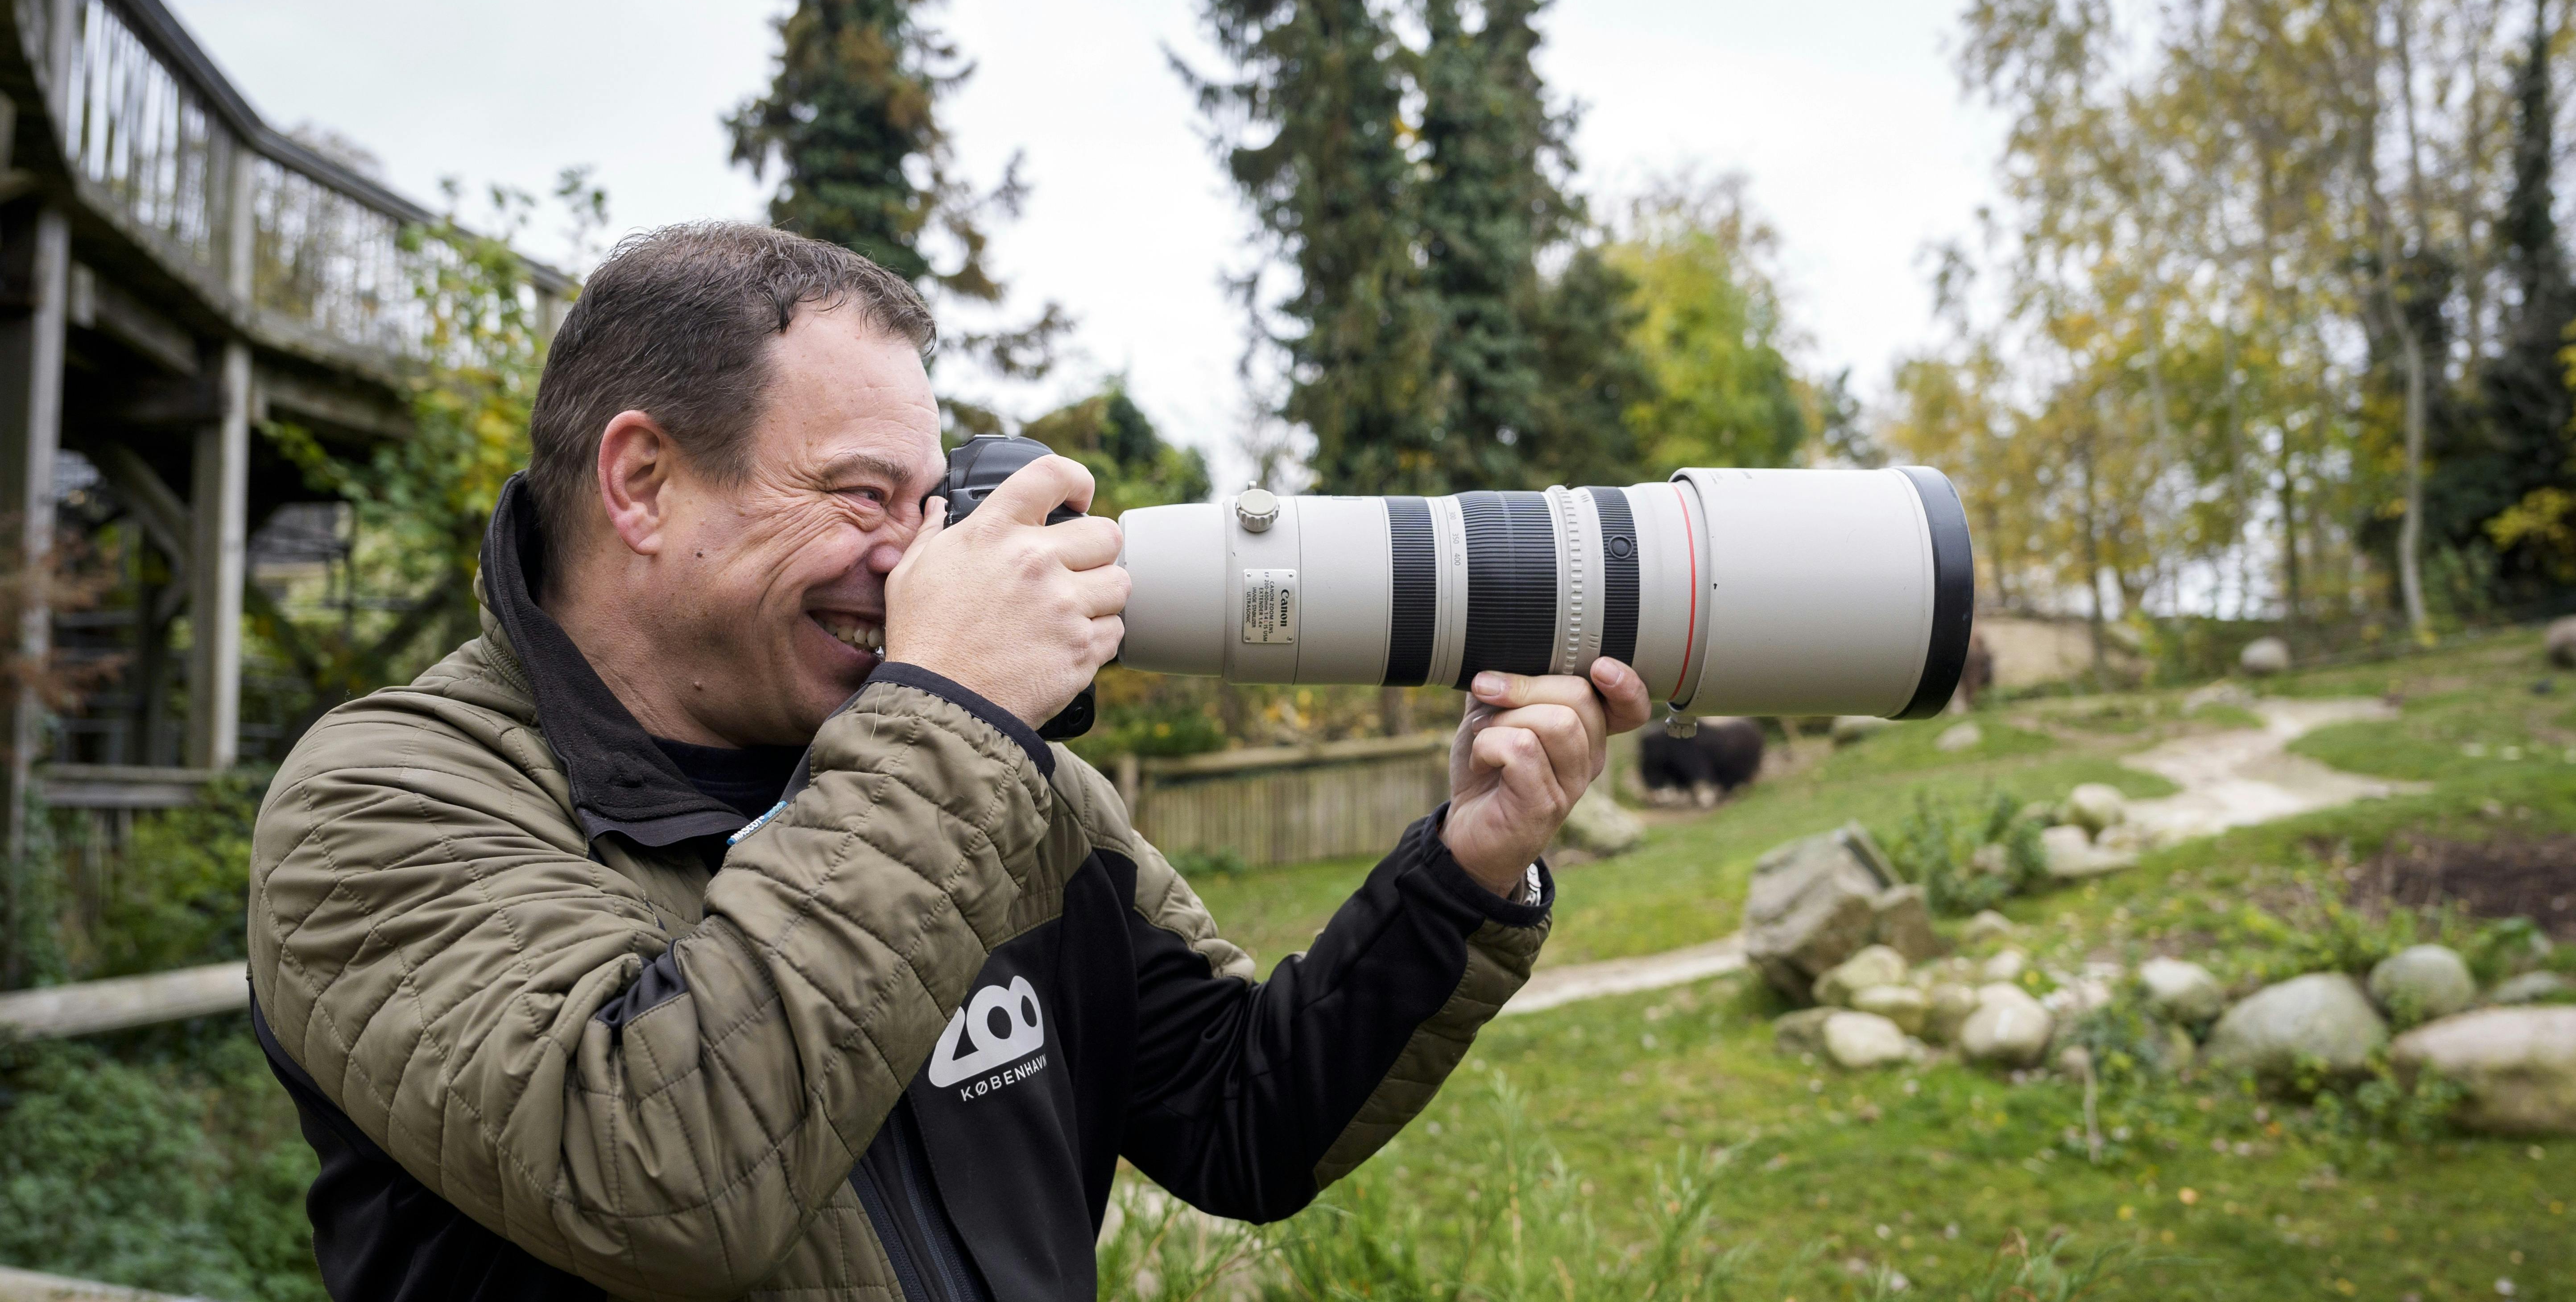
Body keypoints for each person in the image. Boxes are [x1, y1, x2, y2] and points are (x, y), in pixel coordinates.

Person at [246, 223, 1650, 1302]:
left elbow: (1243, 1116)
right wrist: (946, 710)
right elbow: (659, 1177)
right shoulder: (384, 801)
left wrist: (1467, 868)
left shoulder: (978, 769)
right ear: (643, 481)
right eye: (861, 497)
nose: (919, 561)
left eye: (931, 507)